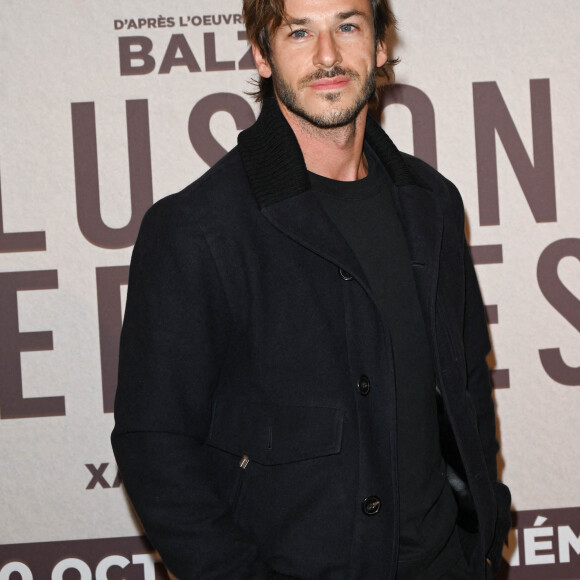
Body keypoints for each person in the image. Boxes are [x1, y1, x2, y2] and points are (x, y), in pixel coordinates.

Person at [111, 0, 511, 578]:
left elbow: (466, 381)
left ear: (378, 45)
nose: (328, 55)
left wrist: (486, 532)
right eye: (300, 32)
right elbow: (156, 444)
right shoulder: (197, 229)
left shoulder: (432, 204)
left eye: (347, 26)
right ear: (263, 53)